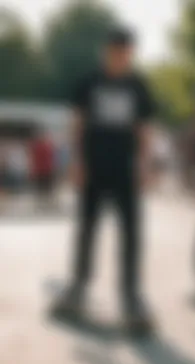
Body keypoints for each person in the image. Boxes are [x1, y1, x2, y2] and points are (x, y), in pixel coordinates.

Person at [52, 28, 156, 334]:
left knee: (131, 233)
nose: (119, 56)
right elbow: (77, 123)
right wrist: (75, 160)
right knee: (87, 229)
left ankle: (131, 296)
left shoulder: (138, 85)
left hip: (125, 169)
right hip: (93, 167)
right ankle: (78, 288)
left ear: (131, 53)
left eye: (124, 51)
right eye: (114, 50)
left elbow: (145, 129)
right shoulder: (89, 82)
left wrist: (145, 165)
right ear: (105, 50)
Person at [30, 130, 55, 208]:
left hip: (43, 169)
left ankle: (43, 202)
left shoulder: (37, 146)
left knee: (43, 187)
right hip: (44, 169)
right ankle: (44, 202)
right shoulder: (46, 146)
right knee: (44, 187)